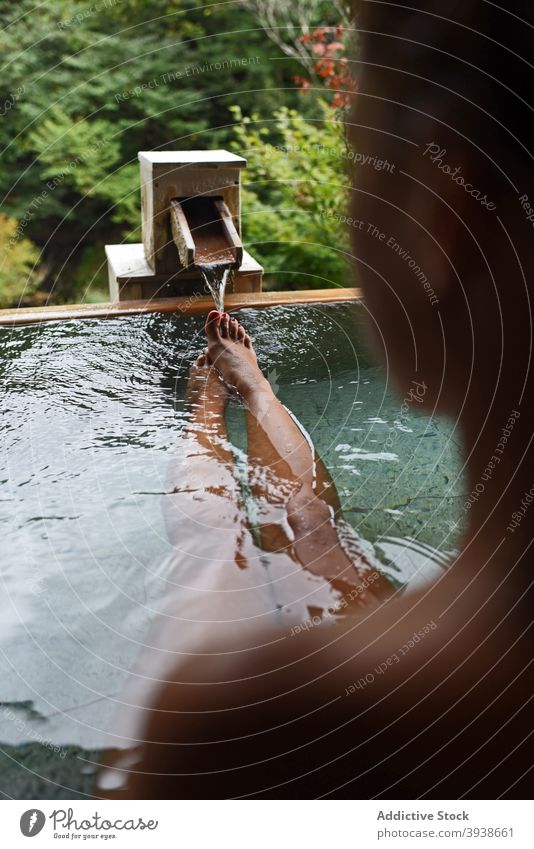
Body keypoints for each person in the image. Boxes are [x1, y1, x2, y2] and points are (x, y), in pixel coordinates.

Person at [99, 1, 534, 798]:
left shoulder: (253, 727)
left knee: (219, 550)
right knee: (316, 535)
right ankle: (248, 384)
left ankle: (212, 399)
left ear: (441, 216)